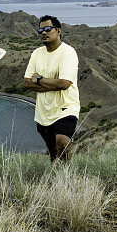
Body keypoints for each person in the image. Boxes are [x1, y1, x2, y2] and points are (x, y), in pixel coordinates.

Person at [23, 15, 80, 161]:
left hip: (66, 108)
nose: (43, 32)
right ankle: (57, 179)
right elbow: (27, 83)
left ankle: (66, 178)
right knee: (53, 153)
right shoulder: (37, 53)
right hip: (43, 113)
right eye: (40, 30)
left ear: (58, 31)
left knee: (62, 142)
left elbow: (64, 84)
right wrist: (53, 84)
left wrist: (40, 79)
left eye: (48, 29)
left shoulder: (68, 52)